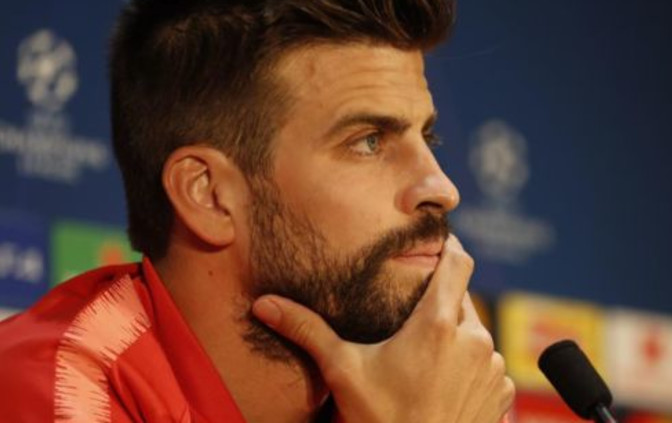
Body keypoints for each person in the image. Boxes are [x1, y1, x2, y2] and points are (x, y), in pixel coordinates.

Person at [0, 0, 515, 421]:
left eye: (428, 137)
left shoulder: (423, 399)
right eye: (369, 142)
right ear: (209, 195)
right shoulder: (53, 390)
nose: (442, 189)